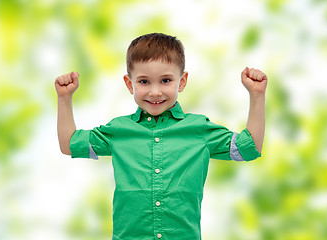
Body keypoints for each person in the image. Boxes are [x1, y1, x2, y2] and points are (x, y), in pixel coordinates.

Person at [55, 33, 267, 240]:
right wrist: (64, 98)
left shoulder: (199, 129)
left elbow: (249, 148)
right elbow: (70, 144)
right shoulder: (118, 130)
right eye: (144, 82)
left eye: (165, 80)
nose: (155, 92)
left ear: (181, 82)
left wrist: (257, 96)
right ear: (130, 85)